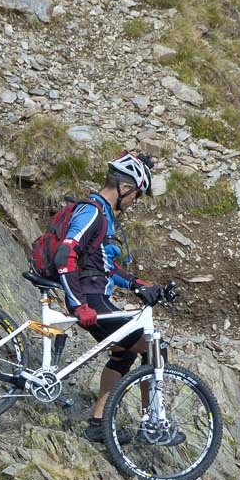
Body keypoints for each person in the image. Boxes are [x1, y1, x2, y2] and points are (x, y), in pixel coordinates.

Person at [54, 150, 165, 444]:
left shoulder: (103, 214)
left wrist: (140, 285)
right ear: (125, 188)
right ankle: (152, 422)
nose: (134, 202)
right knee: (154, 346)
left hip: (93, 297)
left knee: (125, 351)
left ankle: (98, 423)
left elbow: (104, 266)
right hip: (90, 300)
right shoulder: (93, 211)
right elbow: (65, 253)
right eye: (136, 195)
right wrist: (78, 304)